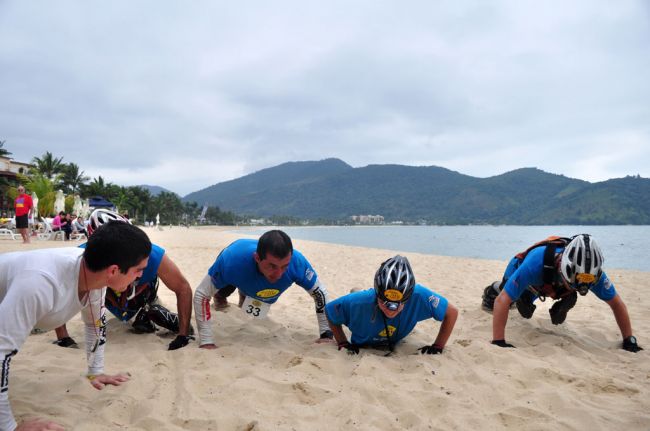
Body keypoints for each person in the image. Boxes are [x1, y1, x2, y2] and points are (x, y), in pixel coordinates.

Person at [0, 221, 152, 431]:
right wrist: (8, 426)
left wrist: (95, 371)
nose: (140, 276)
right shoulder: (40, 283)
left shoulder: (94, 277)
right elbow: (1, 352)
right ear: (114, 270)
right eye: (138, 270)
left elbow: (94, 325)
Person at [54, 209, 194, 351]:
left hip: (140, 293)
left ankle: (147, 310)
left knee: (146, 313)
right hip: (109, 295)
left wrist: (183, 335)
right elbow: (61, 290)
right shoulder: (80, 257)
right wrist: (63, 336)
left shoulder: (152, 254)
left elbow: (183, 288)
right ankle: (145, 314)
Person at [485, 234, 643, 352]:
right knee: (507, 298)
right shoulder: (536, 263)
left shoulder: (593, 275)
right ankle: (518, 295)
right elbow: (502, 300)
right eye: (574, 281)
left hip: (557, 286)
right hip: (530, 278)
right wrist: (499, 341)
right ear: (564, 266)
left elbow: (616, 303)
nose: (582, 284)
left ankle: (567, 296)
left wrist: (629, 339)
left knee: (570, 289)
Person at [193, 230, 333, 349]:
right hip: (238, 261)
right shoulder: (232, 260)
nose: (278, 274)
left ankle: (244, 294)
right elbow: (201, 294)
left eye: (285, 266)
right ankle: (222, 297)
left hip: (254, 281)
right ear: (257, 258)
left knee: (256, 293)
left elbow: (319, 293)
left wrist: (326, 334)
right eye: (272, 266)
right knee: (225, 287)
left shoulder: (297, 262)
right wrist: (206, 341)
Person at [326, 255, 458, 355]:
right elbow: (330, 310)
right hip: (362, 321)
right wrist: (342, 342)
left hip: (394, 335)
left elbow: (452, 312)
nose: (391, 310)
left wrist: (438, 346)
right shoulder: (358, 302)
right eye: (385, 303)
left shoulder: (419, 296)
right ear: (377, 295)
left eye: (397, 305)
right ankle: (355, 290)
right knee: (356, 298)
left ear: (408, 298)